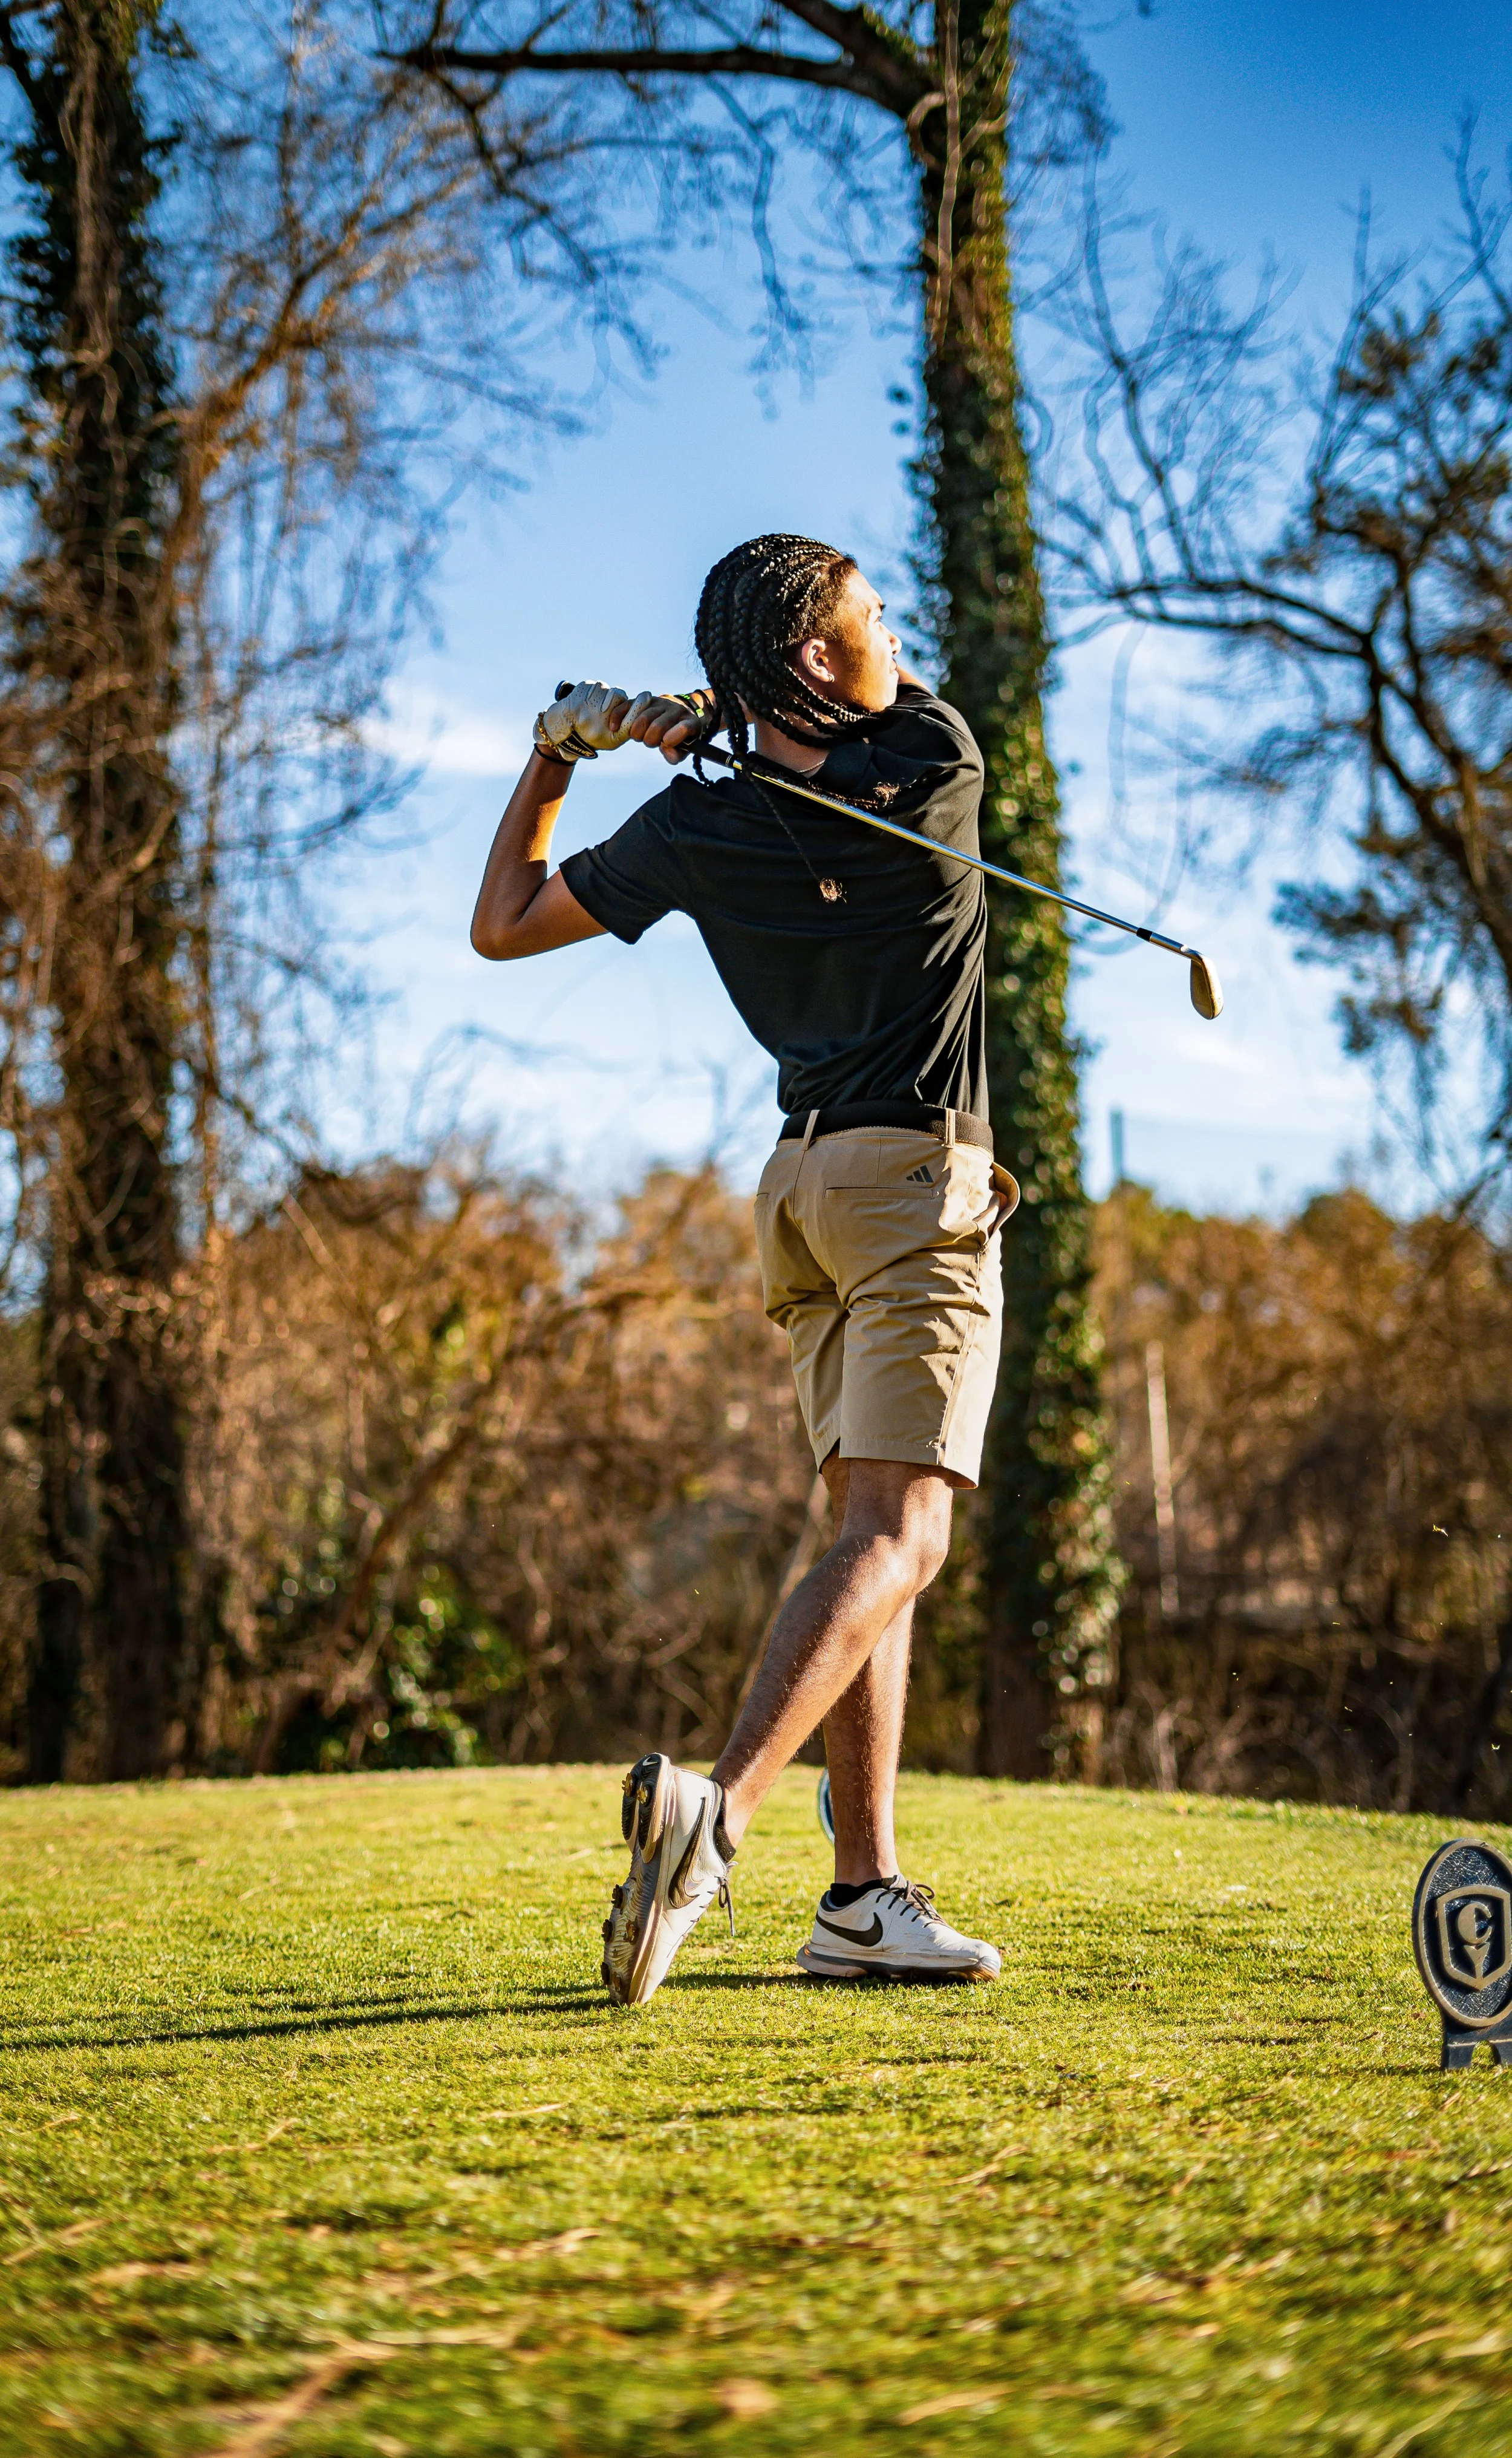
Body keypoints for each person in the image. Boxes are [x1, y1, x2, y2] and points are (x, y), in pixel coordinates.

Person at [470, 533, 1016, 2003]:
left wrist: (563, 749)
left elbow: (502, 925)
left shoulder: (695, 829)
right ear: (831, 658)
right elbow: (863, 726)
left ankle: (861, 1898)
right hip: (914, 1185)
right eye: (873, 616)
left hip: (803, 1194)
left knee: (859, 1541)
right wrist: (722, 730)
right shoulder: (936, 756)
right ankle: (719, 1821)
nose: (893, 632)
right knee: (905, 1538)